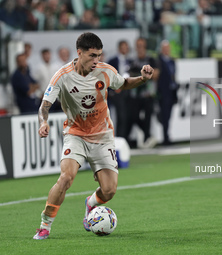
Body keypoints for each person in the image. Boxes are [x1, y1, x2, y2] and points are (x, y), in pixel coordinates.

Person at [33, 32, 154, 240]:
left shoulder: (105, 71)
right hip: (76, 134)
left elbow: (123, 84)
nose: (96, 60)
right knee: (66, 178)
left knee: (109, 191)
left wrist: (143, 79)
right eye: (92, 56)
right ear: (79, 53)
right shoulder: (62, 76)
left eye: (99, 55)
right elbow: (44, 106)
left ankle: (90, 203)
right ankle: (45, 225)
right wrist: (43, 123)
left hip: (102, 135)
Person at [128, 38, 159, 148]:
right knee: (134, 116)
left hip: (148, 93)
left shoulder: (150, 58)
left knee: (148, 118)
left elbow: (155, 75)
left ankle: (147, 139)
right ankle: (148, 136)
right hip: (136, 93)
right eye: (138, 45)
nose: (140, 48)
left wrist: (144, 75)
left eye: (142, 45)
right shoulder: (133, 60)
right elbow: (129, 75)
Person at [108, 40, 131, 140]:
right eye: (123, 47)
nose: (125, 49)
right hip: (117, 92)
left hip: (128, 91)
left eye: (126, 47)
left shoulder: (130, 61)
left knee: (127, 116)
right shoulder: (112, 61)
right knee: (120, 117)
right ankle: (120, 139)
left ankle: (124, 138)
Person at [157, 40, 177, 145]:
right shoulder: (158, 61)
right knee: (164, 115)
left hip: (171, 92)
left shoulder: (172, 61)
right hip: (163, 92)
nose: (166, 50)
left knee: (169, 115)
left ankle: (167, 135)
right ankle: (165, 137)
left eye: (167, 48)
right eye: (165, 48)